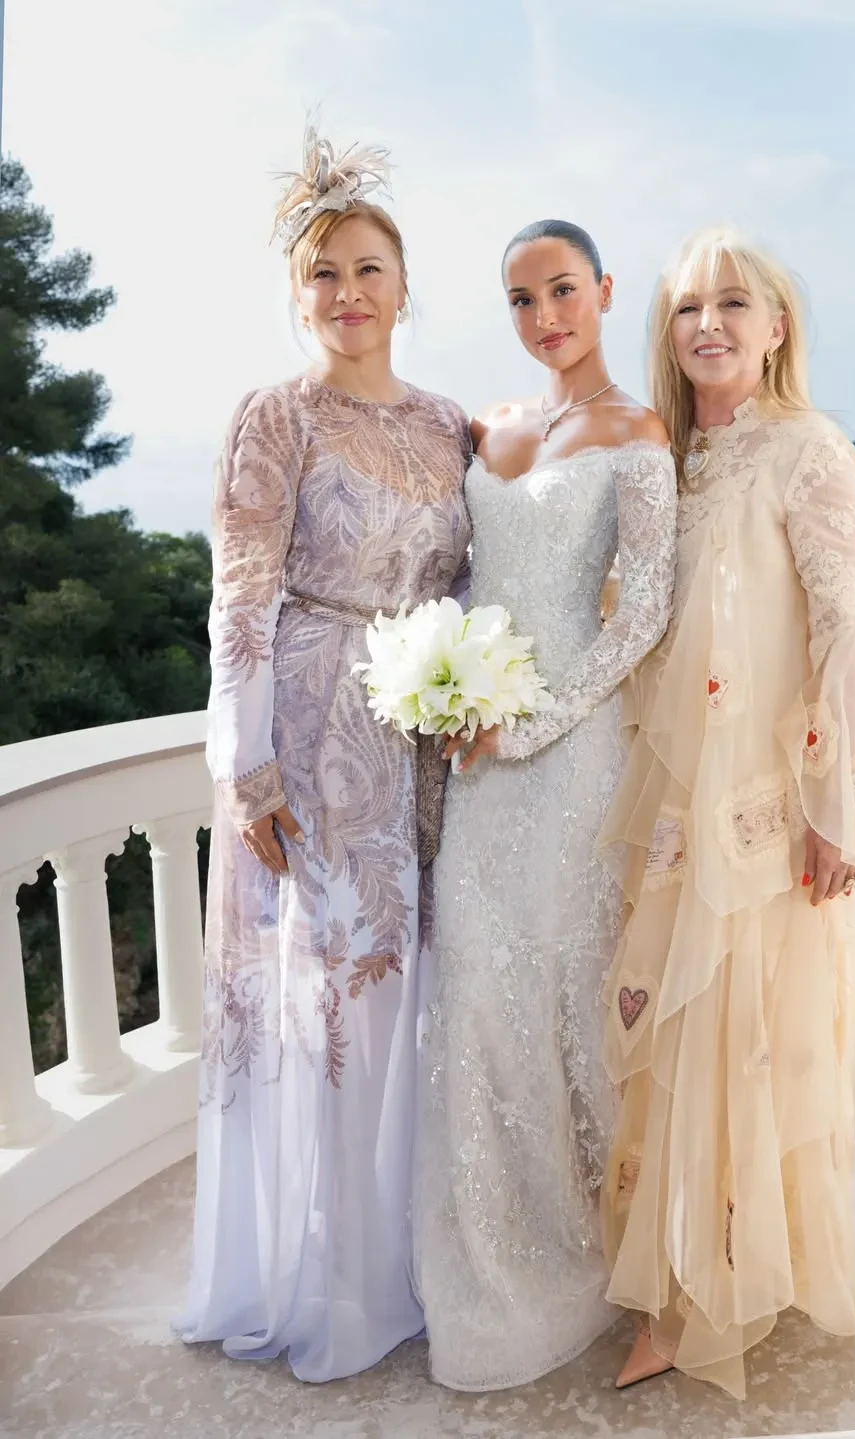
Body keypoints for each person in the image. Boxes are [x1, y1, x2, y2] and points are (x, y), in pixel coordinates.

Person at [597, 225, 855, 1392]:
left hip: (768, 806)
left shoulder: (808, 449)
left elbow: (846, 628)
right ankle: (681, 1264)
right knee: (675, 1029)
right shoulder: (673, 459)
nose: (709, 323)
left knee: (745, 1033)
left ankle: (707, 1294)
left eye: (734, 302)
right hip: (675, 803)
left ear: (777, 328)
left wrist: (839, 805)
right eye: (689, 305)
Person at [174, 127, 471, 1383]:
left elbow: (472, 580)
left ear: (405, 286)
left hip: (418, 742)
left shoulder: (451, 424)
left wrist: (465, 689)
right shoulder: (275, 415)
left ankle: (401, 1262)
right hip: (305, 732)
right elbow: (239, 595)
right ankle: (331, 1282)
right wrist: (244, 765)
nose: (348, 291)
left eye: (367, 269)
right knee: (328, 1000)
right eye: (323, 274)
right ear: (298, 297)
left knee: (405, 996)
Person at [411, 220, 678, 1391]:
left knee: (570, 989)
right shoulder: (487, 425)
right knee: (478, 986)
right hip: (476, 752)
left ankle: (596, 1247)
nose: (544, 317)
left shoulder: (639, 433)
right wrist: (442, 681)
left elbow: (642, 614)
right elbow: (462, 574)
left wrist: (528, 723)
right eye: (521, 299)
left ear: (604, 291)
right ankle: (491, 1256)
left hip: (570, 750)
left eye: (562, 290)